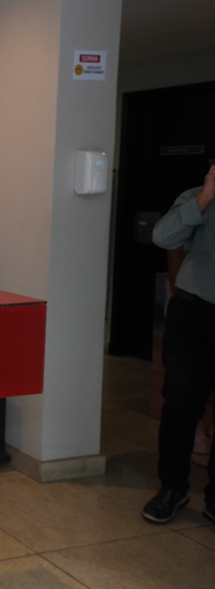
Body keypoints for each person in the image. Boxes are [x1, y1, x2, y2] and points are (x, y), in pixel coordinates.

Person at [143, 158, 215, 525]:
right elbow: (163, 237)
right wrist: (206, 196)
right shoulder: (195, 197)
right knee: (180, 406)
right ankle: (173, 487)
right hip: (192, 314)